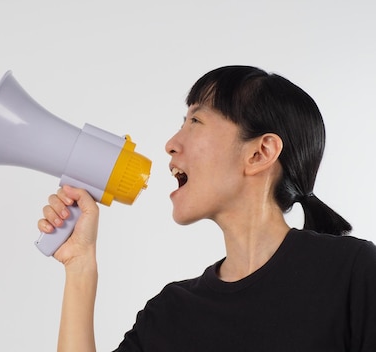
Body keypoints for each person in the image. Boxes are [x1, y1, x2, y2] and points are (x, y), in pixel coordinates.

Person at [37, 65, 376, 351]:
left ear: (259, 153)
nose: (171, 144)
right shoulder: (170, 312)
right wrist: (80, 267)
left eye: (195, 121)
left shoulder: (355, 273)